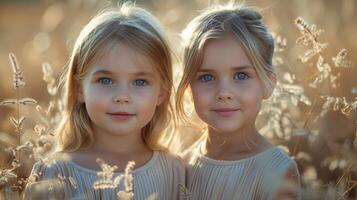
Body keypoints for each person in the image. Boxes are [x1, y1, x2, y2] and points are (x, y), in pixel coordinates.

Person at [24, 3, 184, 200]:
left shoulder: (175, 171)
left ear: (162, 92)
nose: (122, 96)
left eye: (140, 81)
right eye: (106, 80)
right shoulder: (54, 172)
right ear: (79, 88)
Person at [176, 2, 301, 199]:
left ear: (268, 84)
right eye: (207, 77)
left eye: (241, 76)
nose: (224, 93)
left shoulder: (277, 172)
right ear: (190, 90)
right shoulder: (181, 165)